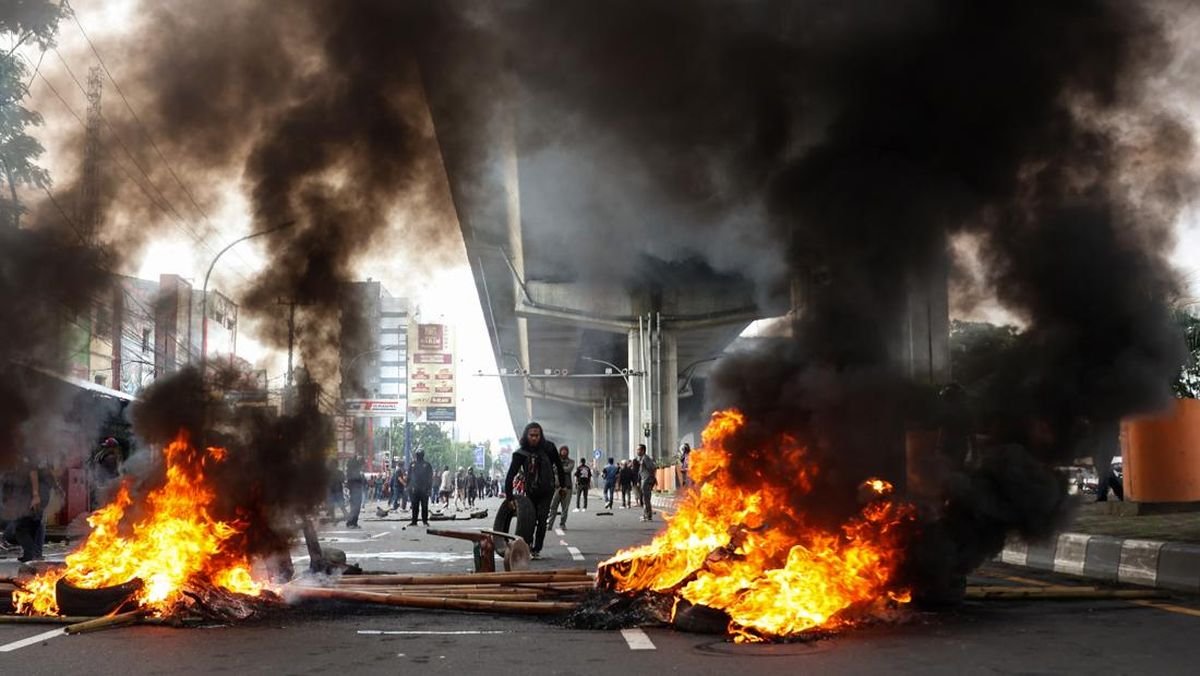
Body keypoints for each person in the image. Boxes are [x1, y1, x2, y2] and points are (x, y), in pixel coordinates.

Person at [504, 422, 564, 559]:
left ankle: (537, 549)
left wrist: (563, 486)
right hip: (530, 491)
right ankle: (527, 545)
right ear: (527, 436)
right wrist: (509, 498)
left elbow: (559, 467)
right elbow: (510, 475)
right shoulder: (521, 453)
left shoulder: (549, 448)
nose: (534, 438)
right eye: (531, 435)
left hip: (547, 490)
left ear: (540, 435)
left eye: (537, 435)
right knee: (530, 519)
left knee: (542, 519)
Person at [548, 445, 573, 530]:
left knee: (565, 507)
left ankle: (562, 524)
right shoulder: (555, 461)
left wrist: (559, 468)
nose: (564, 452)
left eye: (565, 450)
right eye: (562, 450)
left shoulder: (571, 461)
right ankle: (549, 524)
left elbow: (568, 469)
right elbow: (553, 470)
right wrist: (561, 468)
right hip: (557, 487)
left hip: (567, 487)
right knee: (553, 506)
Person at [407, 451, 434, 526]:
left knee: (421, 506)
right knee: (419, 506)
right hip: (418, 489)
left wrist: (408, 486)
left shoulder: (424, 465)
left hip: (420, 489)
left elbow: (430, 478)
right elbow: (409, 477)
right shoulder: (414, 465)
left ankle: (420, 521)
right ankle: (418, 521)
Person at [637, 444, 657, 522]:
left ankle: (647, 515)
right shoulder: (642, 459)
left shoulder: (646, 458)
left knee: (646, 499)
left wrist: (652, 479)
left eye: (639, 449)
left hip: (646, 480)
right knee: (645, 499)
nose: (637, 451)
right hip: (644, 480)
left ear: (643, 450)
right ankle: (647, 514)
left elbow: (652, 468)